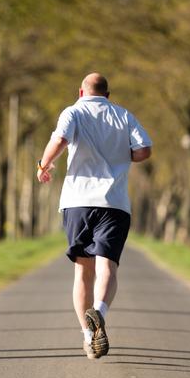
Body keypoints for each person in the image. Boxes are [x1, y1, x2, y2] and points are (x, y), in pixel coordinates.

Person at [36, 73, 152, 359]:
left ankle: (88, 336)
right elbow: (144, 150)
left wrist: (43, 165)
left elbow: (61, 139)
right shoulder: (124, 115)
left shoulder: (74, 111)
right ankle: (99, 312)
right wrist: (123, 157)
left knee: (82, 270)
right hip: (114, 202)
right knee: (107, 267)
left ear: (81, 91)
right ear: (108, 94)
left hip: (78, 202)